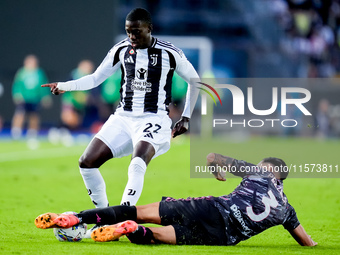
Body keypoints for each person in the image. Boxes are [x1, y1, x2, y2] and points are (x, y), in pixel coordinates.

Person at [41, 8, 199, 211]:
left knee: (137, 163)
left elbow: (196, 81)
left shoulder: (169, 52)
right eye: (128, 31)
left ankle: (122, 218)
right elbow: (96, 78)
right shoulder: (121, 49)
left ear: (149, 28)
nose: (132, 36)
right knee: (86, 163)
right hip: (123, 118)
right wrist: (65, 85)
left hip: (154, 119)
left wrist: (186, 117)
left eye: (137, 31)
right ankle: (103, 215)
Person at [35, 153, 317, 246]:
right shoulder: (287, 209)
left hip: (211, 207)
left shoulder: (257, 172)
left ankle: (77, 219)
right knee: (159, 235)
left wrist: (217, 171)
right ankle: (134, 232)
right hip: (222, 237)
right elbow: (307, 242)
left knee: (135, 210)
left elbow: (211, 157)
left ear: (268, 168)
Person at [11, 54, 51, 145]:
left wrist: (45, 97)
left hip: (35, 98)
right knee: (20, 114)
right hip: (24, 98)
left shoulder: (39, 73)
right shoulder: (22, 72)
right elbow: (17, 85)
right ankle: (16, 132)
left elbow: (43, 86)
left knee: (34, 116)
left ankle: (32, 133)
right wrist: (17, 94)